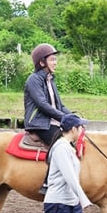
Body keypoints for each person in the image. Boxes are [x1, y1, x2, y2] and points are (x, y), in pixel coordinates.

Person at [24, 43, 73, 194]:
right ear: (42, 62)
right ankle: (47, 182)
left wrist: (73, 117)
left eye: (55, 59)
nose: (55, 62)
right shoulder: (34, 80)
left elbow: (59, 105)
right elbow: (43, 105)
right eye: (52, 59)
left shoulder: (50, 79)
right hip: (38, 123)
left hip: (50, 121)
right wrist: (64, 117)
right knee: (61, 144)